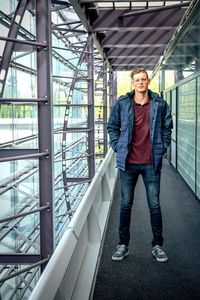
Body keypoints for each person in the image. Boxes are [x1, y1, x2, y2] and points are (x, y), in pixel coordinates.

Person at [107, 68, 173, 263]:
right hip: (128, 163)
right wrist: (118, 147)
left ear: (148, 81)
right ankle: (122, 245)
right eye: (137, 80)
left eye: (144, 79)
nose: (141, 83)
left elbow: (167, 127)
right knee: (126, 204)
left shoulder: (159, 103)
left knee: (154, 204)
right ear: (132, 82)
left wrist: (162, 148)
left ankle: (157, 246)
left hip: (151, 163)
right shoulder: (123, 103)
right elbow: (112, 126)